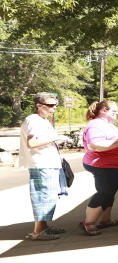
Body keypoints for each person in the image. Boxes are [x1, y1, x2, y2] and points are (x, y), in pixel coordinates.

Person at [19, 92, 69, 240]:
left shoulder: (41, 119)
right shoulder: (34, 120)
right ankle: (39, 231)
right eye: (50, 105)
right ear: (38, 105)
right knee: (43, 196)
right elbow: (32, 143)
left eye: (56, 105)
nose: (54, 108)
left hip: (46, 163)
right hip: (41, 164)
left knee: (48, 196)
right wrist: (55, 137)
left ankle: (44, 226)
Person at [79, 100, 118, 235]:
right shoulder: (95, 125)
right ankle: (88, 223)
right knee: (104, 192)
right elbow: (94, 145)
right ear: (103, 110)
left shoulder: (107, 124)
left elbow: (112, 141)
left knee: (110, 191)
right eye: (114, 111)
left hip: (111, 165)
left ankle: (105, 220)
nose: (117, 113)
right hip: (102, 165)